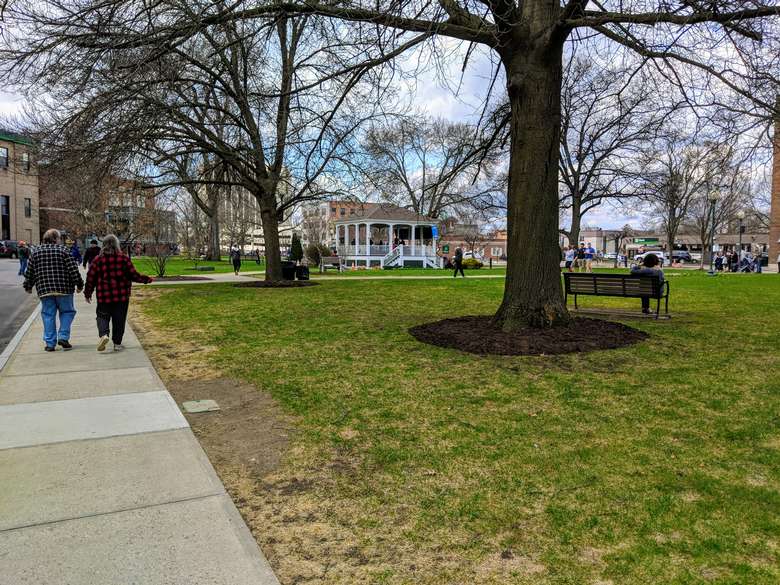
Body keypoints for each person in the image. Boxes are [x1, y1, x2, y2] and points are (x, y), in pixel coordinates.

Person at [83, 234, 152, 352]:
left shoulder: (98, 259)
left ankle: (104, 335)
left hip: (104, 295)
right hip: (121, 296)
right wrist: (146, 279)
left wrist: (87, 293)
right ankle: (117, 343)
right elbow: (133, 275)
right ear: (117, 244)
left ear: (103, 245)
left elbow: (91, 277)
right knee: (119, 319)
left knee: (102, 316)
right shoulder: (123, 258)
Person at [23, 229, 84, 352]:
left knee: (48, 315)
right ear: (56, 239)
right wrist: (79, 284)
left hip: (45, 290)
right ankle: (63, 336)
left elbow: (30, 272)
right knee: (67, 312)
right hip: (64, 289)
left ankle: (50, 343)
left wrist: (28, 286)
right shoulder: (64, 251)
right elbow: (73, 270)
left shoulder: (35, 253)